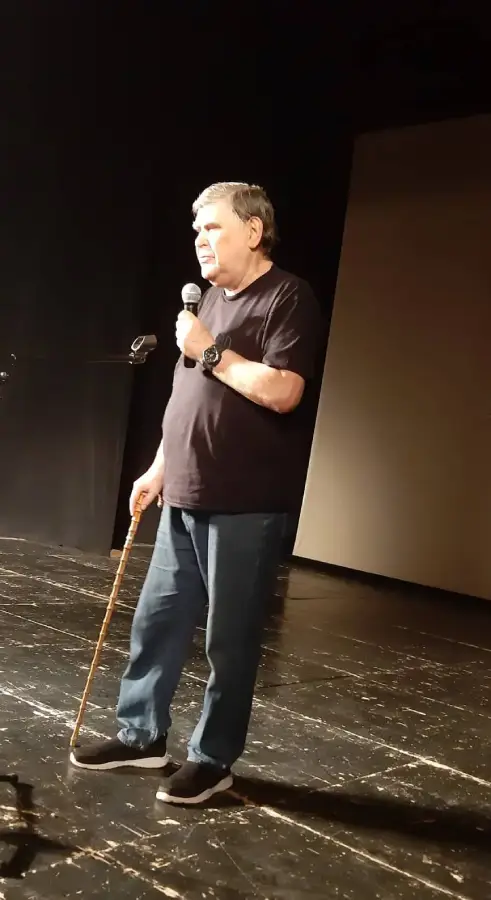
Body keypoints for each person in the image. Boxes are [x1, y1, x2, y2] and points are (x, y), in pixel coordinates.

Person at [71, 182, 321, 804]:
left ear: (254, 232)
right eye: (196, 231)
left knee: (228, 641)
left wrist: (208, 348)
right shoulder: (206, 300)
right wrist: (159, 467)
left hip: (244, 500)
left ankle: (213, 759)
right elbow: (187, 397)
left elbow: (284, 391)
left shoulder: (287, 297)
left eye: (212, 228)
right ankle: (141, 736)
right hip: (183, 490)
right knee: (156, 622)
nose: (200, 241)